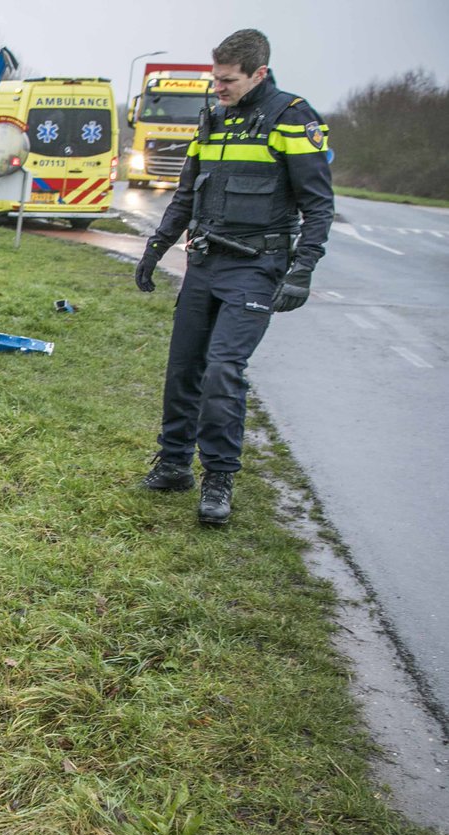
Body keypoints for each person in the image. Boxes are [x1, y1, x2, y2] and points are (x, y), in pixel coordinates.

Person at [134, 28, 334, 525]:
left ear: (258, 73)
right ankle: (175, 464)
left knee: (223, 369)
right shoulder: (214, 120)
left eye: (227, 80)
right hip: (204, 264)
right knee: (184, 367)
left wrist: (302, 269)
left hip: (256, 267)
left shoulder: (293, 118)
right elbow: (186, 194)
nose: (218, 87)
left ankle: (218, 479)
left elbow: (318, 205)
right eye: (214, 78)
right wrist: (155, 248)